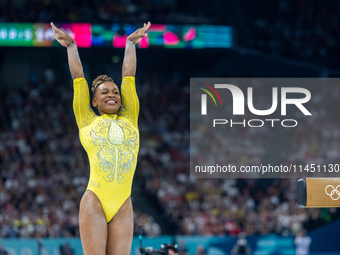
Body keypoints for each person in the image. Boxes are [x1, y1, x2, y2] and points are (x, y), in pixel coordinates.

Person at [50, 21, 151, 255]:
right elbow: (78, 79)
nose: (112, 95)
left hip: (123, 204)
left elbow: (129, 76)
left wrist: (130, 44)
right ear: (93, 102)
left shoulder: (130, 118)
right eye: (104, 92)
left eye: (115, 92)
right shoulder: (87, 120)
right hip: (94, 201)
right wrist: (71, 46)